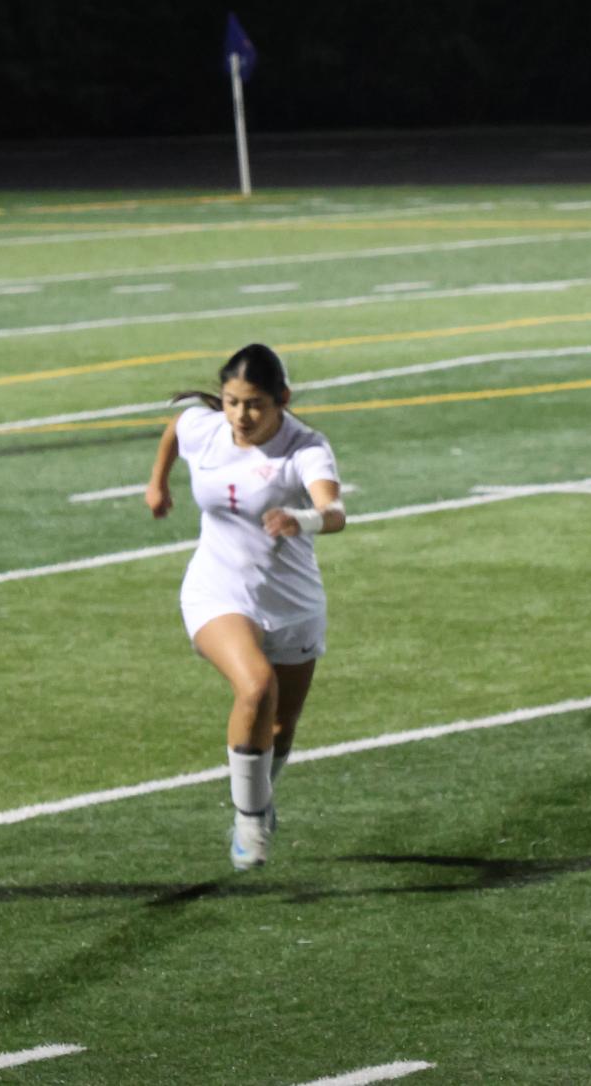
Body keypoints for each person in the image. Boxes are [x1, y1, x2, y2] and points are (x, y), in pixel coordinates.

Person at [144, 344, 346, 870]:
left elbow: (334, 511)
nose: (240, 416)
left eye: (254, 404)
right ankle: (250, 821)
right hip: (217, 590)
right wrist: (157, 483)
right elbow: (174, 432)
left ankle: (257, 797)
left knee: (280, 726)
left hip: (293, 602)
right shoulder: (203, 427)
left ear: (282, 399)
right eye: (232, 402)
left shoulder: (305, 448)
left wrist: (300, 520)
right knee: (257, 687)